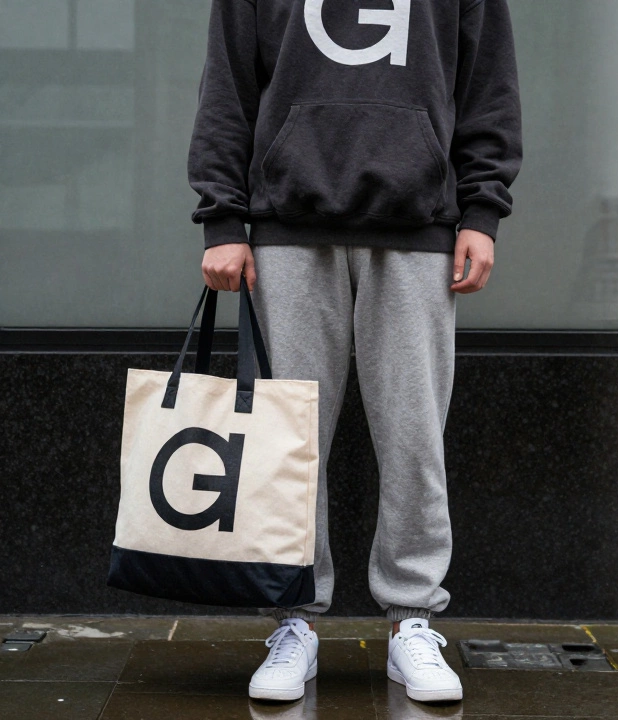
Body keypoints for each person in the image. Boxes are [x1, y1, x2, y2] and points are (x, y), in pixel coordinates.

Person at [188, 0, 521, 704]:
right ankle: (294, 620)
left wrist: (482, 211)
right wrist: (223, 216)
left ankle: (412, 622)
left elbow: (487, 82)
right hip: (286, 224)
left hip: (419, 224)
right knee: (288, 442)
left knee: (413, 437)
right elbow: (227, 85)